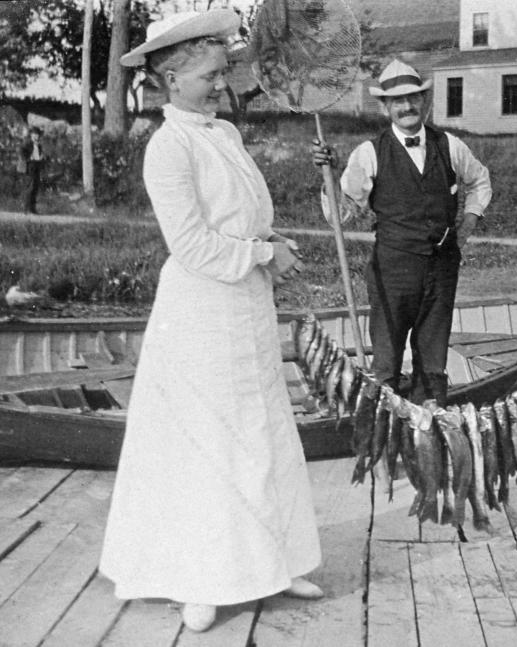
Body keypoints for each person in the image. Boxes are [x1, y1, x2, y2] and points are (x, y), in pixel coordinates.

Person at [99, 10, 323, 633]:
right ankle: (200, 577)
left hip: (245, 303)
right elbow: (192, 245)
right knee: (207, 441)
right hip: (199, 311)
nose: (222, 85)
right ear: (171, 79)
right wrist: (259, 253)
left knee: (261, 428)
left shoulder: (223, 135)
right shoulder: (168, 146)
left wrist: (269, 240)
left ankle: (277, 562)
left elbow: (241, 215)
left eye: (224, 72)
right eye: (210, 75)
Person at [312, 59, 492, 406]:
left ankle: (430, 428)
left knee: (433, 355)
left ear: (424, 101)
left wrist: (469, 220)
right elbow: (341, 214)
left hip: (441, 268)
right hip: (393, 269)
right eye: (398, 101)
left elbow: (481, 181)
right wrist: (331, 177)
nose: (407, 107)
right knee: (387, 358)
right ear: (384, 106)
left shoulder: (450, 145)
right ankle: (384, 432)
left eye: (413, 98)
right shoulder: (369, 153)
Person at [20, 126, 45, 214]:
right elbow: (21, 152)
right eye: (35, 134)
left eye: (38, 135)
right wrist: (28, 158)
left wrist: (41, 158)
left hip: (37, 166)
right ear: (31, 135)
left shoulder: (38, 144)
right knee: (30, 187)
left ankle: (32, 208)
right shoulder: (27, 143)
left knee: (35, 187)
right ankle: (26, 208)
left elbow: (39, 154)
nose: (36, 136)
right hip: (30, 166)